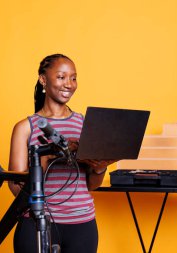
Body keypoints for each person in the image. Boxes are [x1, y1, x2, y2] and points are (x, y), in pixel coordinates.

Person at [8, 54, 113, 253]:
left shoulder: (84, 124)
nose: (69, 84)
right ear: (43, 79)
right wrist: (46, 157)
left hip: (82, 224)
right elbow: (16, 188)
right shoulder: (25, 127)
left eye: (73, 78)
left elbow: (91, 185)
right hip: (38, 223)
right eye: (61, 77)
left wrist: (99, 168)